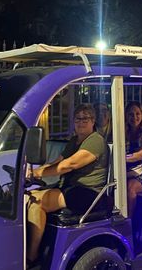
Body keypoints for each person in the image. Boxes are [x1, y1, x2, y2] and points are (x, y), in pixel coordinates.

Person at [26, 104, 109, 264]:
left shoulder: (95, 141)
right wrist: (30, 173)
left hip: (88, 192)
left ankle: (32, 257)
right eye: (78, 118)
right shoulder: (74, 141)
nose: (81, 122)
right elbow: (57, 162)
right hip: (71, 188)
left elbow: (68, 165)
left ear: (93, 121)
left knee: (38, 203)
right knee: (28, 196)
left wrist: (36, 173)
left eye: (85, 118)